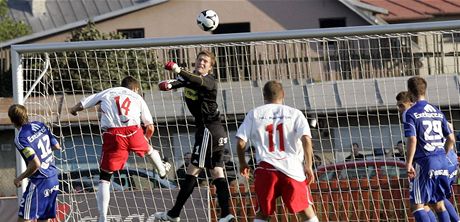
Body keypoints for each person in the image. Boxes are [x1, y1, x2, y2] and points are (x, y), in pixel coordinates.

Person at [69, 76, 170, 222]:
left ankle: (102, 217)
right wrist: (144, 140)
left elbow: (83, 103)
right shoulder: (137, 96)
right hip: (133, 130)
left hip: (113, 134)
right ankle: (161, 169)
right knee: (149, 149)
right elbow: (150, 126)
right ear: (135, 88)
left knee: (105, 176)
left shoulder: (107, 92)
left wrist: (73, 110)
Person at [154, 50, 234, 222]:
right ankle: (226, 214)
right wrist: (169, 85)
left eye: (206, 61)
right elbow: (182, 82)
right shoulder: (190, 78)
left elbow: (195, 81)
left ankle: (174, 214)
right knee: (217, 171)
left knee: (193, 170)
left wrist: (177, 69)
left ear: (211, 67)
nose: (202, 63)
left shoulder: (209, 81)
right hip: (215, 131)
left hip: (208, 130)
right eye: (200, 60)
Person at [236, 80, 319, 222]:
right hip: (292, 169)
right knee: (307, 213)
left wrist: (243, 163)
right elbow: (306, 139)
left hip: (267, 169)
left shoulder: (254, 114)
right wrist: (308, 166)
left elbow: (240, 142)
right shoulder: (295, 113)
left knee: (262, 213)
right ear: (283, 95)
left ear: (264, 96)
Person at [396, 90, 460, 222]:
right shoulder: (434, 111)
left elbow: (413, 140)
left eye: (402, 106)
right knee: (437, 200)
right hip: (448, 159)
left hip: (433, 159)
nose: (400, 110)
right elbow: (450, 132)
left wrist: (409, 162)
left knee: (421, 203)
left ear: (412, 102)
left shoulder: (411, 113)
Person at [9, 104, 62, 222]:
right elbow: (56, 146)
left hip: (39, 182)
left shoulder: (20, 138)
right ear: (26, 114)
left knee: (24, 219)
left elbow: (35, 164)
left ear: (12, 120)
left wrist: (19, 178)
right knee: (43, 219)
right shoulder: (40, 125)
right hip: (53, 178)